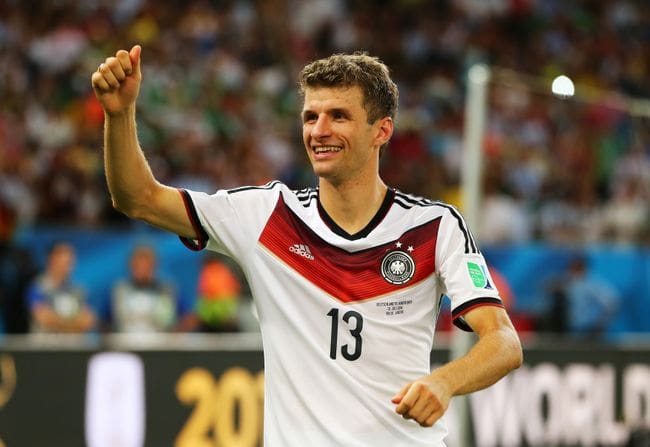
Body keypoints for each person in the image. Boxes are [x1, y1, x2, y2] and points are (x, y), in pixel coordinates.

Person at [92, 45, 522, 446]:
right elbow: (138, 198)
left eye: (338, 115)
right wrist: (120, 114)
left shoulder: (433, 226)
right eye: (310, 116)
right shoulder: (265, 215)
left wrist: (444, 382)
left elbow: (503, 342)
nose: (319, 130)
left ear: (381, 130)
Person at [111, 244, 194, 333]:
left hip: (160, 343)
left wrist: (176, 333)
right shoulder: (119, 291)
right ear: (131, 266)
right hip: (125, 344)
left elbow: (190, 318)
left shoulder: (167, 290)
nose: (143, 270)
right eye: (138, 266)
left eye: (147, 266)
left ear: (154, 266)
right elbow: (103, 321)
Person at [26, 241, 96, 333]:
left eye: (71, 259)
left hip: (73, 345)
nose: (69, 263)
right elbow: (42, 317)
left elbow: (88, 320)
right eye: (64, 258)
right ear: (51, 259)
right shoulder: (38, 287)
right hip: (46, 345)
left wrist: (58, 321)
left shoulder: (78, 289)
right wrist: (74, 324)